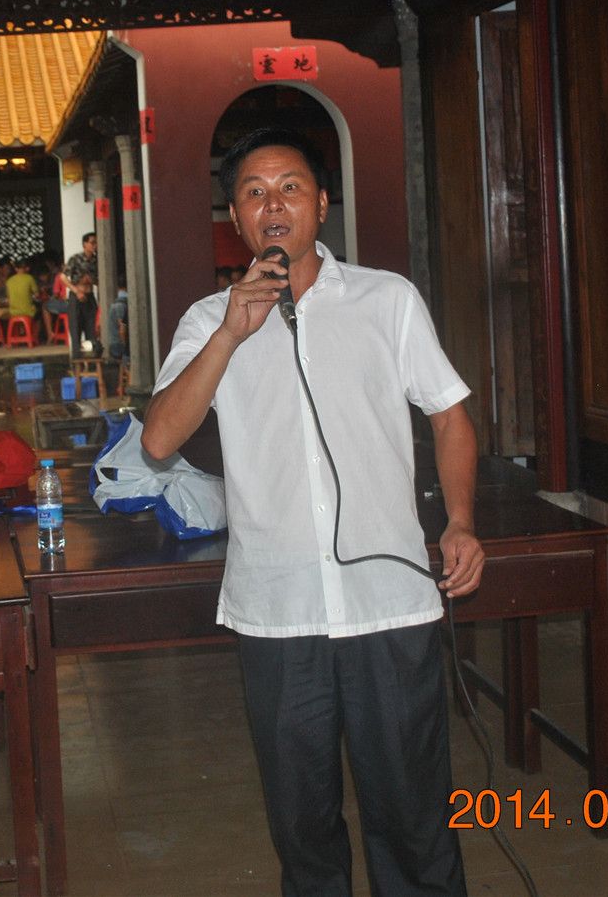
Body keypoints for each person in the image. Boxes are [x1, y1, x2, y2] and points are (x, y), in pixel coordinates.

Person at [142, 128, 484, 897]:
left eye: (290, 187)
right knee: (302, 827)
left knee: (414, 819)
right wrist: (231, 335)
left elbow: (449, 415)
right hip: (277, 610)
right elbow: (159, 438)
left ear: (321, 205)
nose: (274, 204)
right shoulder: (207, 320)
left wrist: (459, 521)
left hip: (387, 602)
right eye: (254, 192)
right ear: (235, 217)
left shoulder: (385, 300)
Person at [5, 257, 40, 333]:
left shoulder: (9, 281)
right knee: (39, 313)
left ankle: (20, 332)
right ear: (26, 268)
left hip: (13, 312)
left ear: (16, 269)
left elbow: (8, 298)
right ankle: (34, 335)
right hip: (28, 311)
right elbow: (37, 295)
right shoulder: (29, 278)